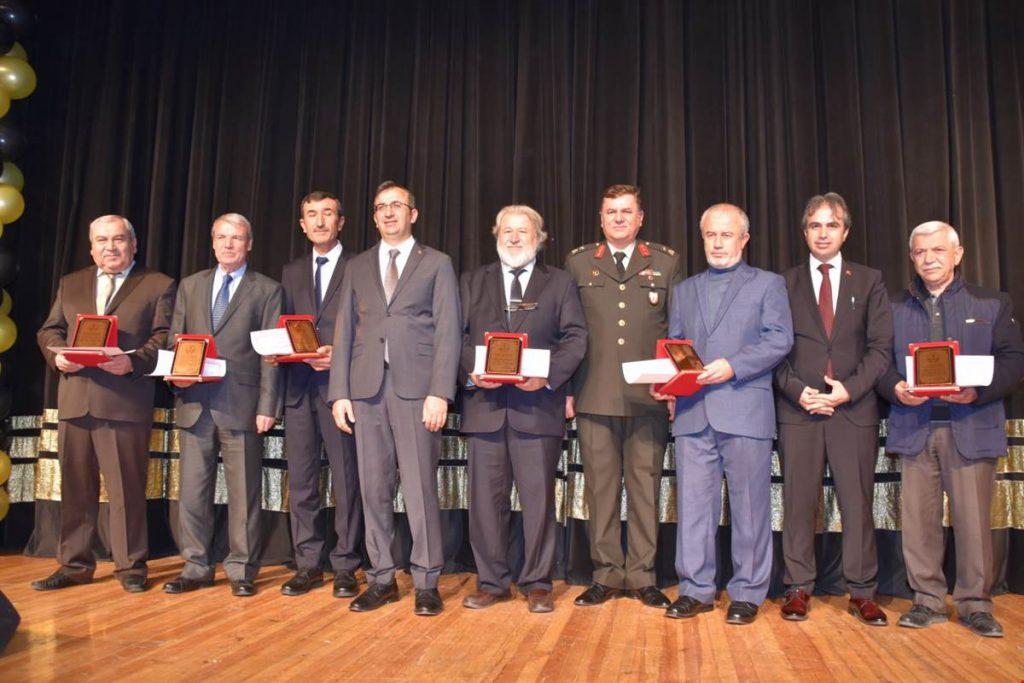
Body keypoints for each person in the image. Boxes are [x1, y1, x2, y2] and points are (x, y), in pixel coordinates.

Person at [878, 221, 1024, 638]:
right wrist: (895, 388)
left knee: (974, 523)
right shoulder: (891, 307)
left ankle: (976, 604)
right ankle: (926, 600)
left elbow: (1014, 362)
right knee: (918, 523)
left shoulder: (992, 302)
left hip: (972, 427)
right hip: (914, 428)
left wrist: (977, 393)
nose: (929, 259)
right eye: (921, 252)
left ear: (957, 255)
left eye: (938, 251)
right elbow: (879, 364)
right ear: (911, 258)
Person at [329, 181, 460, 616]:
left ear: (413, 214)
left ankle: (426, 580)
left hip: (415, 391)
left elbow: (448, 332)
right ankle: (381, 577)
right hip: (366, 391)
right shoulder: (359, 264)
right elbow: (345, 330)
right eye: (381, 207)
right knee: (373, 488)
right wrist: (339, 392)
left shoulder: (437, 263)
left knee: (421, 489)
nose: (388, 213)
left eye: (397, 206)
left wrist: (440, 391)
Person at [663, 203, 793, 625]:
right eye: (710, 236)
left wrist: (734, 364)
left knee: (751, 507)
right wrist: (666, 380)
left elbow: (779, 340)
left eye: (726, 235)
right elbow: (676, 346)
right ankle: (695, 589)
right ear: (702, 238)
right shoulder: (684, 289)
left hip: (745, 408)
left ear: (744, 238)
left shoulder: (769, 285)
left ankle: (747, 592)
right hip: (692, 412)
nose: (718, 243)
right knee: (694, 507)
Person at [34, 215, 176, 593]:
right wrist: (57, 354)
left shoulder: (158, 284)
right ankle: (74, 564)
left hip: (123, 400)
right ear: (91, 246)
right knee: (75, 489)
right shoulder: (72, 282)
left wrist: (133, 361)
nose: (110, 247)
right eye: (102, 240)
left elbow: (165, 336)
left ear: (133, 244)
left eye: (118, 240)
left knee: (127, 489)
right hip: (76, 400)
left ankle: (130, 565)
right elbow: (50, 329)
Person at [459, 205, 587, 613]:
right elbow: (454, 337)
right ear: (495, 235)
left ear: (540, 237)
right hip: (486, 407)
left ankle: (537, 582)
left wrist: (548, 375)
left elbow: (576, 338)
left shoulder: (561, 283)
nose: (514, 239)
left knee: (538, 502)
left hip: (537, 407)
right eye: (507, 231)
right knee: (484, 503)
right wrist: (471, 372)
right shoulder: (471, 281)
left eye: (523, 232)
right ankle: (491, 581)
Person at [774, 193, 893, 625]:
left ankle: (862, 591)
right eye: (815, 226)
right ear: (804, 231)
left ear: (846, 231)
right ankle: (798, 587)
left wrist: (849, 390)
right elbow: (773, 350)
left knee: (857, 503)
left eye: (831, 225)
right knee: (798, 501)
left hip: (853, 409)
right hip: (799, 409)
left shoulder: (870, 280)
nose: (823, 233)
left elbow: (881, 349)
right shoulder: (782, 283)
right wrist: (796, 391)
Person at [162, 213, 283, 598]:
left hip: (242, 405)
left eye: (237, 238)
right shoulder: (190, 286)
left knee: (243, 493)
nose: (229, 244)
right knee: (193, 493)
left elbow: (270, 354)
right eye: (222, 237)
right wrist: (173, 373)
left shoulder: (266, 289)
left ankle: (241, 568)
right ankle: (196, 565)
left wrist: (268, 405)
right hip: (195, 403)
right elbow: (174, 339)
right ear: (212, 242)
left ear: (249, 244)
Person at [275, 191, 363, 598]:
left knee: (347, 481)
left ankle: (346, 564)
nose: (320, 221)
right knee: (304, 482)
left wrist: (337, 353)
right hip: (297, 390)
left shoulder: (360, 267)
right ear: (302, 225)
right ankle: (307, 564)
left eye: (328, 213)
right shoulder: (291, 271)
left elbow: (367, 327)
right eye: (312, 215)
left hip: (340, 390)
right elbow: (285, 325)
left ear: (341, 222)